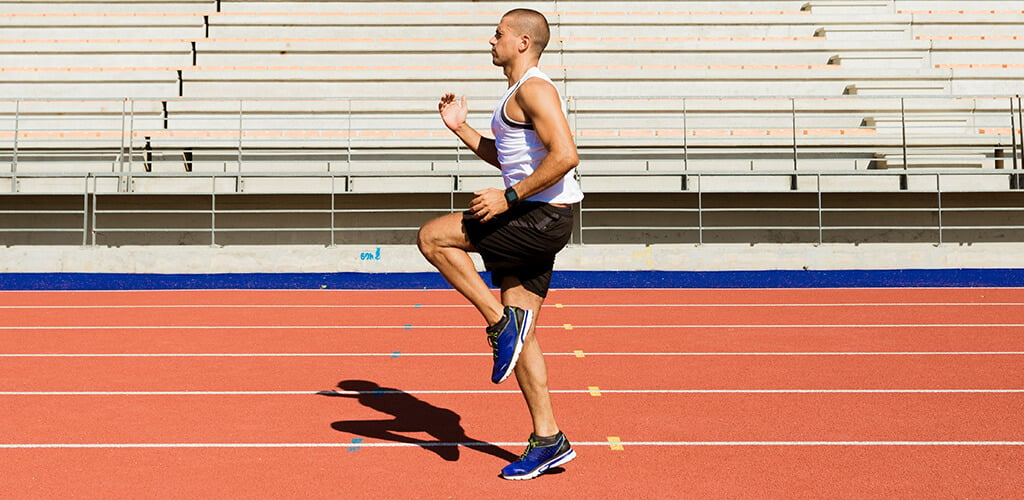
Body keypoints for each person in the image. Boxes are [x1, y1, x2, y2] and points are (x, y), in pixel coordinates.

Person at [416, 8, 583, 481]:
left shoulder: (535, 87)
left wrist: (508, 197)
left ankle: (496, 323)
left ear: (523, 43)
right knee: (524, 334)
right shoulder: (515, 92)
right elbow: (506, 155)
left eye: (499, 34)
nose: (491, 40)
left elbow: (566, 155)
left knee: (432, 237)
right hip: (537, 217)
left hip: (538, 218)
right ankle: (549, 439)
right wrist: (461, 128)